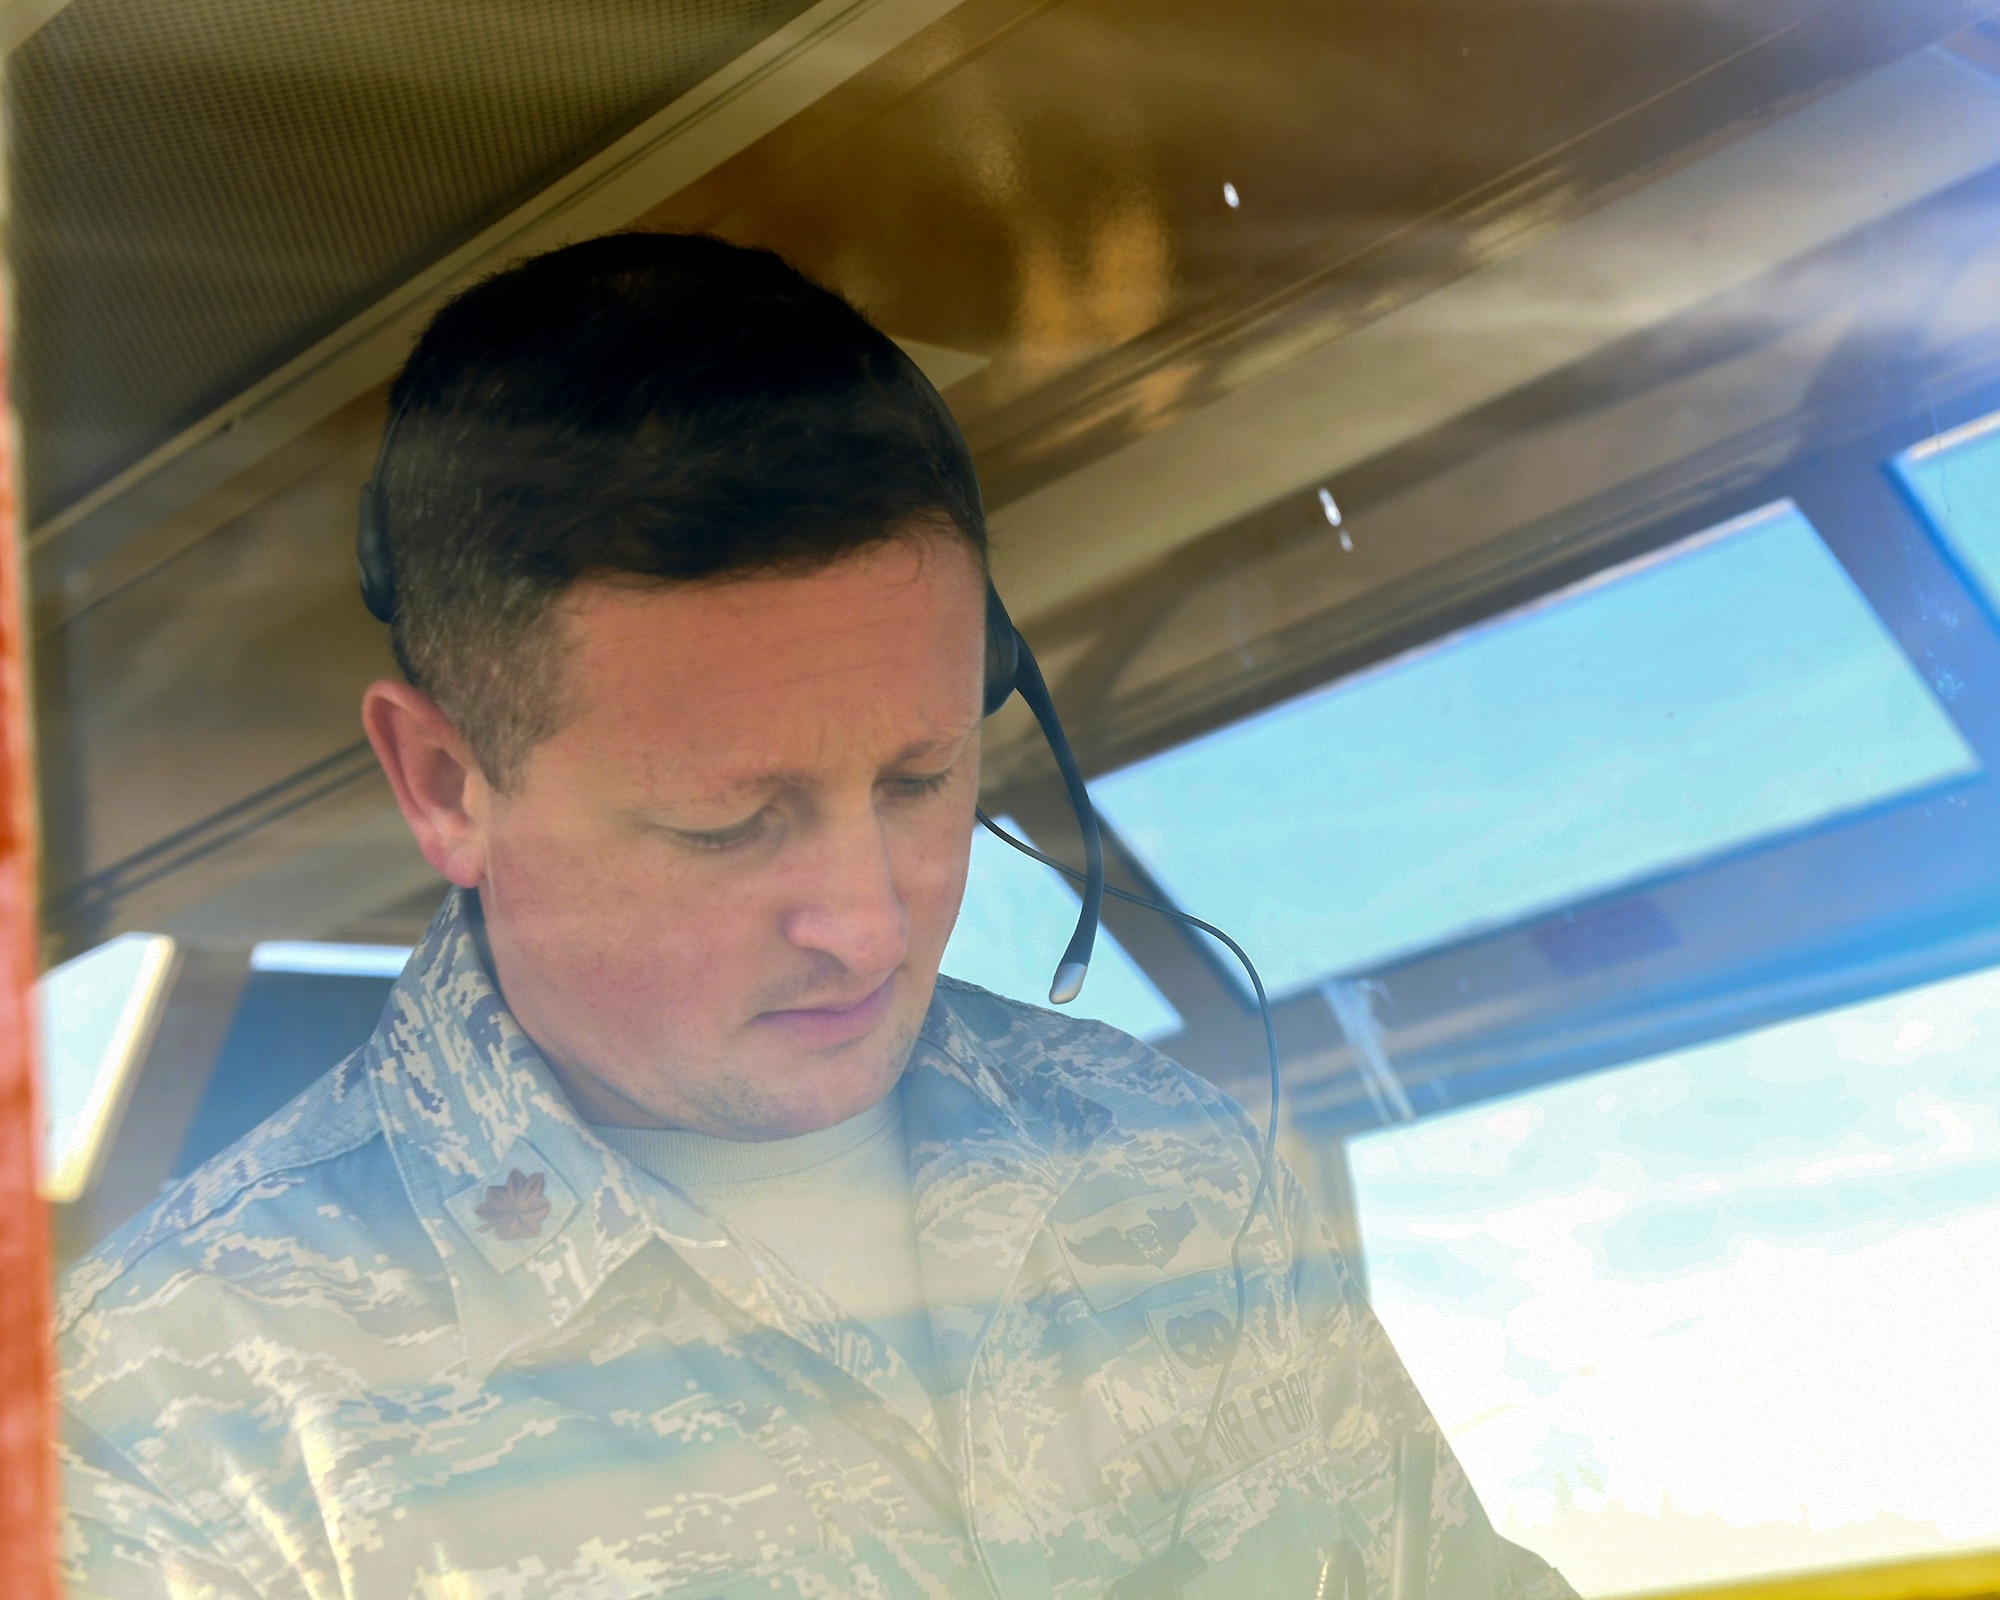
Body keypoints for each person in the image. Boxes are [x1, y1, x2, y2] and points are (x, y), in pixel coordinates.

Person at [56, 233, 1572, 1600]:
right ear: (447, 783)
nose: (867, 926)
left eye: (923, 779)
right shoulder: (182, 1403)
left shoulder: (1158, 1167)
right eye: (727, 822)